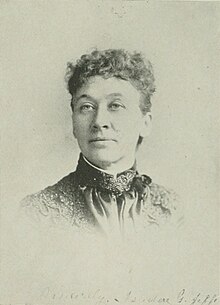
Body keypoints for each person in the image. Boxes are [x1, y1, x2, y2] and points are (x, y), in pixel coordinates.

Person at [21, 49, 183, 238]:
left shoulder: (173, 212)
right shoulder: (37, 214)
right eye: (87, 107)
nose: (99, 121)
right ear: (74, 123)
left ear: (145, 123)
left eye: (116, 105)